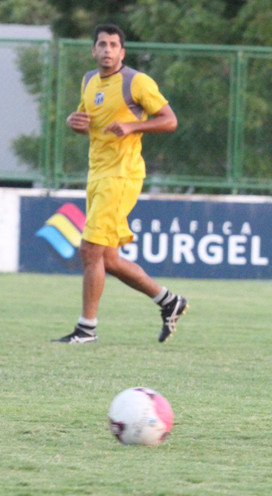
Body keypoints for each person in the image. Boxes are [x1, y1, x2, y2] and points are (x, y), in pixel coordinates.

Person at [53, 24, 188, 344]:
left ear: (122, 52)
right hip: (96, 174)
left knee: (89, 250)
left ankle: (86, 330)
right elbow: (89, 124)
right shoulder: (88, 81)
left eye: (114, 45)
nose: (107, 50)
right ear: (94, 50)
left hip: (122, 175)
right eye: (102, 44)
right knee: (108, 259)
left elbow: (170, 121)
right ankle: (169, 301)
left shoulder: (137, 81)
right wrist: (75, 123)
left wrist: (132, 125)